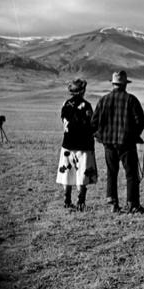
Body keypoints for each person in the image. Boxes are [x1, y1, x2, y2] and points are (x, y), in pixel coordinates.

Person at [91, 70, 144, 213]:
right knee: (131, 174)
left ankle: (113, 202)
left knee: (111, 172)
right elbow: (140, 121)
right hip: (127, 144)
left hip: (108, 143)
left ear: (113, 84)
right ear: (125, 85)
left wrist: (100, 136)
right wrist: (133, 135)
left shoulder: (103, 100)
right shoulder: (131, 100)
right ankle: (132, 204)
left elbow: (94, 123)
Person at [56, 79, 98, 210]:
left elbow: (63, 121)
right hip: (84, 145)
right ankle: (81, 201)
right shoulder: (87, 106)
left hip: (68, 144)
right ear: (82, 91)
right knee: (82, 173)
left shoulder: (65, 104)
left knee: (67, 171)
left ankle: (67, 199)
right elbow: (92, 125)